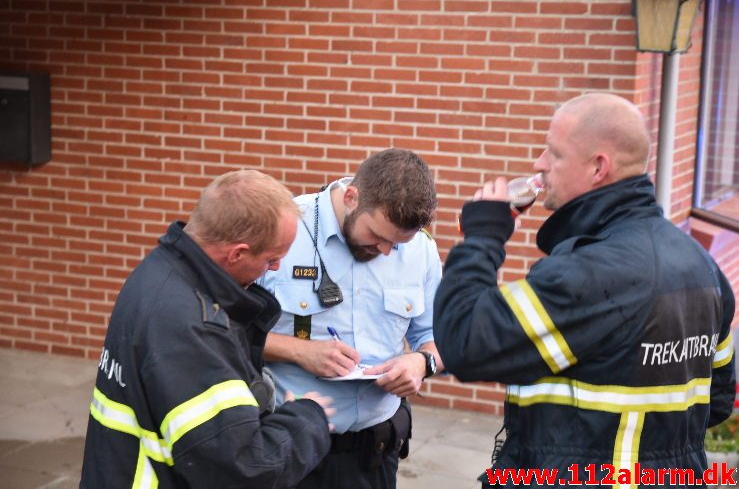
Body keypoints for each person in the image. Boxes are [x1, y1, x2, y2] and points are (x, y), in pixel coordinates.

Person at [433, 93, 736, 487]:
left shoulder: (591, 273)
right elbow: (718, 401)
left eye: (554, 154)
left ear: (598, 167)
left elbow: (464, 341)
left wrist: (484, 236)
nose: (539, 164)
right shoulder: (703, 266)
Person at [80, 170, 335, 489]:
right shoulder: (192, 326)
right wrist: (307, 420)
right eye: (271, 259)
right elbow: (243, 468)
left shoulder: (158, 272)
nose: (276, 268)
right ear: (238, 253)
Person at [258, 148, 444, 489]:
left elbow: (438, 337)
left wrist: (421, 362)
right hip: (289, 451)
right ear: (351, 197)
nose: (386, 251)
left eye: (398, 244)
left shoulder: (422, 251)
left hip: (376, 454)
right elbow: (222, 333)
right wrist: (299, 351)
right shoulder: (283, 227)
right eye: (377, 236)